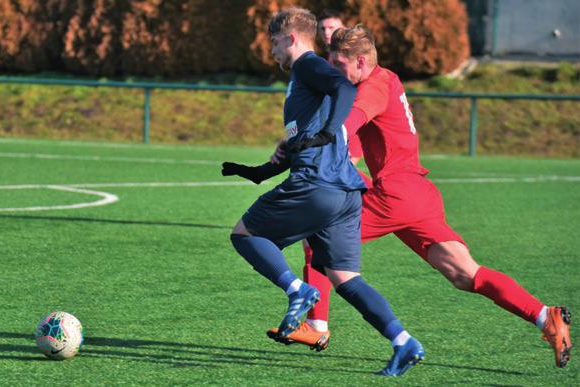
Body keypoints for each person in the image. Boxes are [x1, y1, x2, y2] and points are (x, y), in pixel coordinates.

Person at [270, 25, 572, 369]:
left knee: (317, 233)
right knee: (464, 274)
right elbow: (353, 141)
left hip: (394, 195)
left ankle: (316, 325)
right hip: (417, 195)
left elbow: (346, 125)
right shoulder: (386, 79)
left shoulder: (373, 87)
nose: (332, 72)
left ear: (361, 61)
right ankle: (545, 315)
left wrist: (310, 142)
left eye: (338, 65)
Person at [223, 8, 425, 377]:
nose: (271, 52)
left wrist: (329, 132)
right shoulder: (307, 77)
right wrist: (257, 171)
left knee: (244, 235)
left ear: (290, 38)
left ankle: (296, 289)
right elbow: (308, 134)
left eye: (273, 43)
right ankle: (403, 342)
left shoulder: (306, 65)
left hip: (317, 185)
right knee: (345, 279)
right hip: (346, 193)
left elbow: (344, 87)